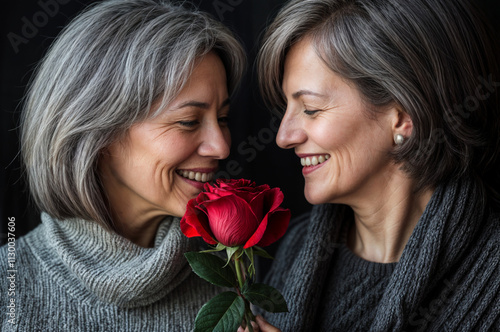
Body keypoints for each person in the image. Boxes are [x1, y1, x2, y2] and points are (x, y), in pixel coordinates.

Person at [0, 0, 245, 330]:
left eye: (223, 118)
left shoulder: (236, 279)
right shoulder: (9, 289)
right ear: (98, 133)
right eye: (188, 121)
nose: (222, 146)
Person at [256, 0, 500, 330]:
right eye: (286, 107)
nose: (283, 136)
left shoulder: (491, 273)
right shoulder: (297, 248)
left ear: (402, 118)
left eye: (311, 109)